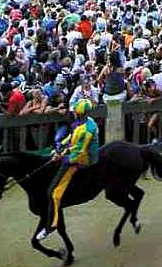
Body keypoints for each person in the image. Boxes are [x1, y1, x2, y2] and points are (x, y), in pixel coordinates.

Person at [38, 98, 100, 241]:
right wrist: (60, 147)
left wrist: (61, 157)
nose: (73, 114)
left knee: (53, 192)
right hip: (76, 153)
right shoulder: (84, 121)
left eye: (75, 112)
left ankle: (51, 225)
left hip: (81, 160)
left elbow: (78, 152)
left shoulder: (87, 129)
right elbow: (72, 138)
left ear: (79, 113)